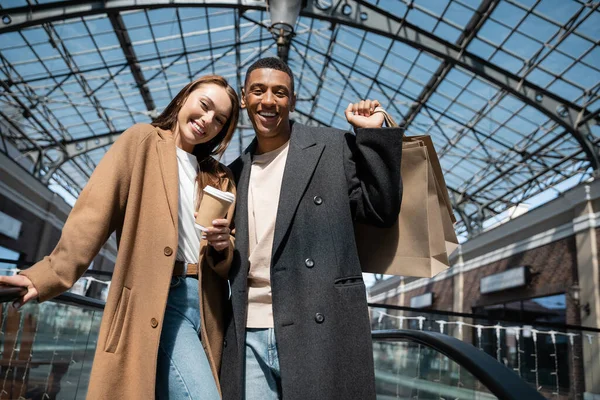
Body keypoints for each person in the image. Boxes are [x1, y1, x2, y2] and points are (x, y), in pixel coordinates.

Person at [0, 75, 240, 399]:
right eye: (204, 105)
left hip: (209, 307)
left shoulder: (220, 177)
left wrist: (223, 248)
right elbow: (93, 214)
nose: (207, 120)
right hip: (160, 298)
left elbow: (223, 263)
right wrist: (48, 275)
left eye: (219, 119)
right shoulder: (142, 142)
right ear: (185, 98)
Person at [221, 57, 403, 400]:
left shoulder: (331, 147)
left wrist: (372, 134)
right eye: (258, 91)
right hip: (248, 332)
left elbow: (382, 210)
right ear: (244, 98)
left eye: (280, 92)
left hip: (319, 326)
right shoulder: (233, 173)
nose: (269, 101)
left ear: (292, 100)